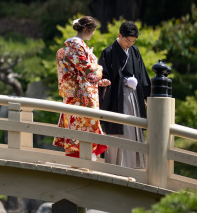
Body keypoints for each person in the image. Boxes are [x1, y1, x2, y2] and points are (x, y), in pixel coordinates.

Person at [53, 16, 110, 159]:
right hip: (81, 97)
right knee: (83, 127)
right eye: (92, 31)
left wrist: (98, 81)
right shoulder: (76, 47)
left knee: (77, 127)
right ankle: (82, 163)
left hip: (76, 93)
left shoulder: (71, 47)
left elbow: (82, 74)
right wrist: (99, 69)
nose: (93, 34)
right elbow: (90, 71)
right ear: (86, 30)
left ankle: (80, 162)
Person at [98, 21, 151, 168]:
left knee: (134, 129)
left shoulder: (135, 51)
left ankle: (135, 166)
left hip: (134, 96)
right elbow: (104, 76)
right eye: (127, 40)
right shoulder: (108, 52)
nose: (130, 44)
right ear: (119, 35)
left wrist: (146, 95)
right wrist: (122, 81)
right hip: (117, 97)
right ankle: (116, 167)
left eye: (133, 41)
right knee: (121, 128)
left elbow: (142, 75)